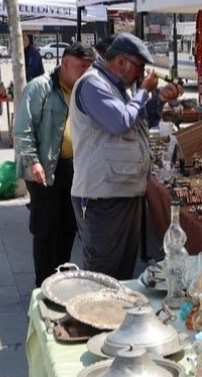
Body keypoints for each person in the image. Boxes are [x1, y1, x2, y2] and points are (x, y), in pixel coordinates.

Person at [70, 33, 182, 280]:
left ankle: (116, 318)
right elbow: (120, 122)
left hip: (123, 190)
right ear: (121, 62)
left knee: (121, 274)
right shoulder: (93, 84)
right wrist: (143, 92)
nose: (142, 74)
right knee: (103, 277)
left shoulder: (120, 87)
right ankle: (96, 319)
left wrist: (159, 99)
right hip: (102, 196)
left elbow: (139, 121)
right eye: (139, 67)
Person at [14, 42, 94, 286]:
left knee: (69, 227)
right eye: (81, 67)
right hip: (44, 169)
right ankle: (43, 284)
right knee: (46, 229)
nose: (86, 73)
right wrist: (32, 161)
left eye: (89, 68)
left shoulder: (84, 90)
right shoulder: (40, 88)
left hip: (73, 169)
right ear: (66, 63)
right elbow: (22, 129)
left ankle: (60, 280)